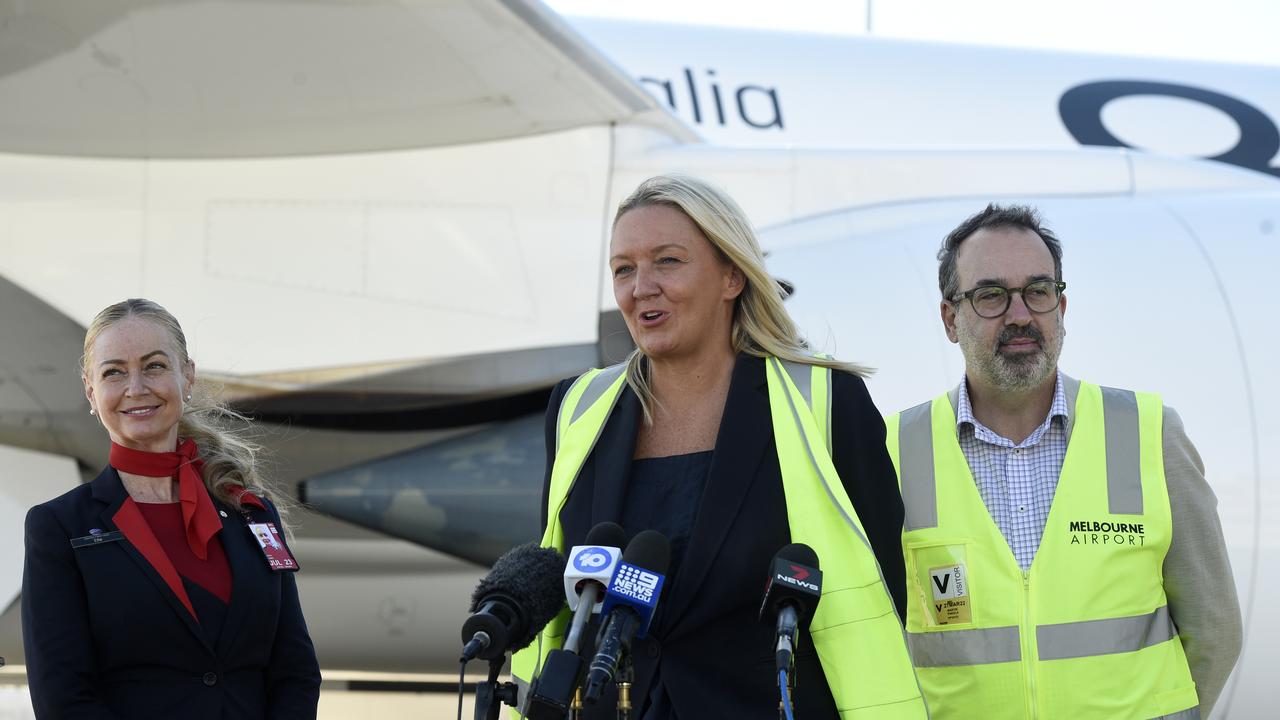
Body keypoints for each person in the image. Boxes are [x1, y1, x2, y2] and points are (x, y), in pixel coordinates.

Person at [510, 174, 926, 719]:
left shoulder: (827, 401)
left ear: (732, 275)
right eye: (623, 270)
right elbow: (567, 585)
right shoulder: (577, 409)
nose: (641, 287)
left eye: (668, 261)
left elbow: (884, 593)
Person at [886, 204, 1242, 718]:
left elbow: (1215, 629)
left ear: (1062, 306)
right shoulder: (895, 452)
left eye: (1038, 290)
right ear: (949, 318)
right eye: (990, 296)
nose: (1020, 314)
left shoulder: (1149, 433)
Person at [21, 298, 321, 719]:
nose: (136, 387)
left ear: (188, 377)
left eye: (155, 366)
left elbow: (296, 672)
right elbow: (63, 698)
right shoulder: (59, 526)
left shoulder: (252, 513)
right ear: (92, 391)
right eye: (114, 372)